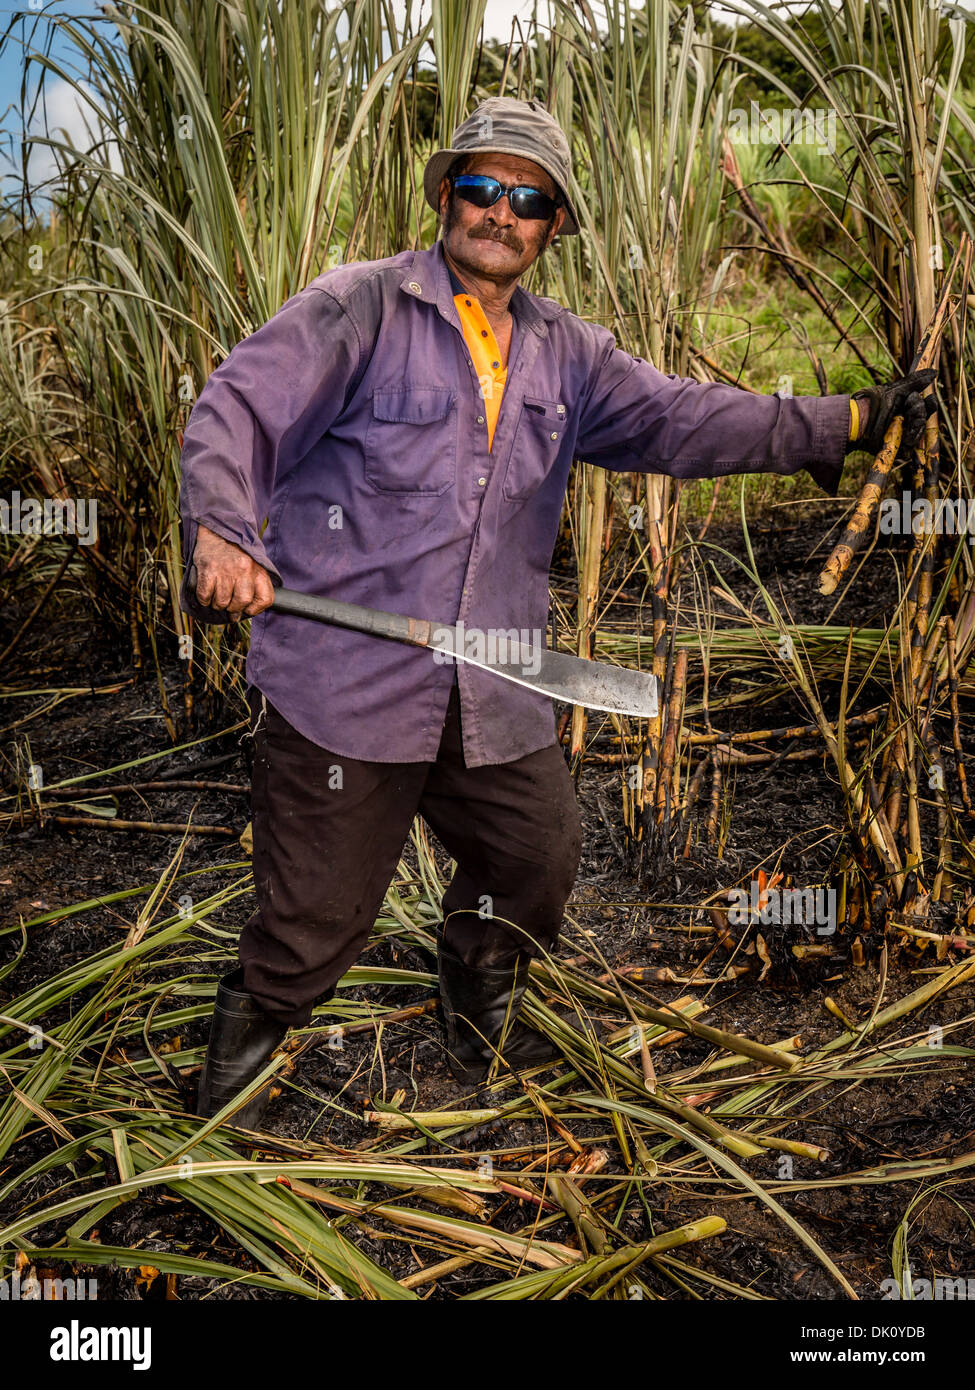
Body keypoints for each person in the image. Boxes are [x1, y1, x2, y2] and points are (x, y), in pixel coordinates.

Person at [180, 95, 936, 1126]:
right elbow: (238, 405)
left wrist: (842, 422)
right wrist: (223, 526)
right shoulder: (357, 308)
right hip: (343, 686)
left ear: (552, 227)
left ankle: (473, 992)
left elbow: (682, 419)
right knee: (314, 918)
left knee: (534, 862)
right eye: (484, 189)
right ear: (448, 196)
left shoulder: (567, 355)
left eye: (528, 200)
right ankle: (228, 1084)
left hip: (493, 683)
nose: (502, 213)